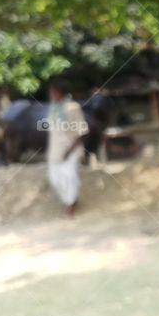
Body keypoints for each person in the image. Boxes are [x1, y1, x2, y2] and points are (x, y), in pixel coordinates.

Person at [45, 81, 89, 216]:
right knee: (54, 178)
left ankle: (71, 204)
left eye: (54, 92)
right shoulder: (52, 109)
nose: (51, 95)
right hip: (55, 150)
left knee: (70, 176)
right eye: (50, 92)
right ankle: (67, 200)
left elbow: (82, 132)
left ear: (61, 92)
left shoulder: (73, 107)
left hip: (72, 149)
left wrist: (69, 151)